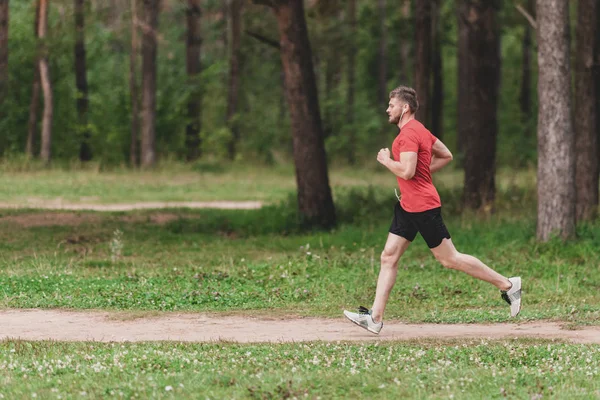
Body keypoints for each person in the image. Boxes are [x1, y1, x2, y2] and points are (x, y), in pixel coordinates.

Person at [343, 86, 521, 334]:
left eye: (391, 105)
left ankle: (508, 284)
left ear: (405, 108)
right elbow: (446, 155)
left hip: (422, 207)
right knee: (389, 256)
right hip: (408, 205)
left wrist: (386, 161)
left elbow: (406, 171)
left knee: (449, 259)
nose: (387, 109)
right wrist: (420, 175)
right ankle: (375, 317)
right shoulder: (422, 131)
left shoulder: (406, 136)